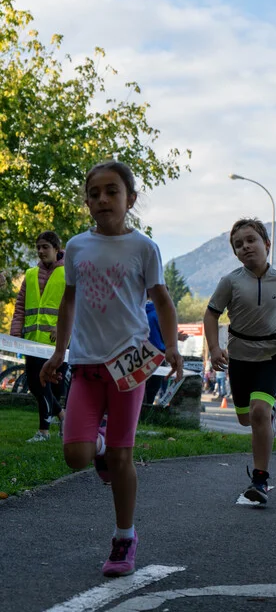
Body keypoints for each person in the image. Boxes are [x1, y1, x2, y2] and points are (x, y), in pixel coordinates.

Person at [39, 160, 183, 577]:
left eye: (112, 191)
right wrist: (59, 352)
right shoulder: (77, 247)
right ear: (87, 201)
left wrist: (172, 346)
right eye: (95, 193)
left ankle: (124, 538)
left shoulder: (144, 248)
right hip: (85, 365)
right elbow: (69, 300)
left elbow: (162, 300)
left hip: (128, 365)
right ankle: (97, 444)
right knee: (76, 456)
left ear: (130, 199)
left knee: (123, 457)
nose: (103, 199)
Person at [204, 218, 276, 504]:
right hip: (240, 357)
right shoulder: (230, 281)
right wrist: (214, 348)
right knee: (246, 419)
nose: (245, 247)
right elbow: (211, 314)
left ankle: (260, 480)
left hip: (271, 356)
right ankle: (270, 411)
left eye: (251, 240)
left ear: (267, 244)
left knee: (259, 412)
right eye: (238, 245)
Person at [10, 231, 67, 442]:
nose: (41, 251)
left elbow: (77, 305)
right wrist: (16, 332)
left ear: (56, 249)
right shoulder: (30, 274)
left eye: (45, 247)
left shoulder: (69, 273)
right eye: (38, 248)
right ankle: (62, 417)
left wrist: (62, 328)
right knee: (36, 385)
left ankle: (44, 431)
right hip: (31, 341)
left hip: (56, 343)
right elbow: (20, 307)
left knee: (47, 386)